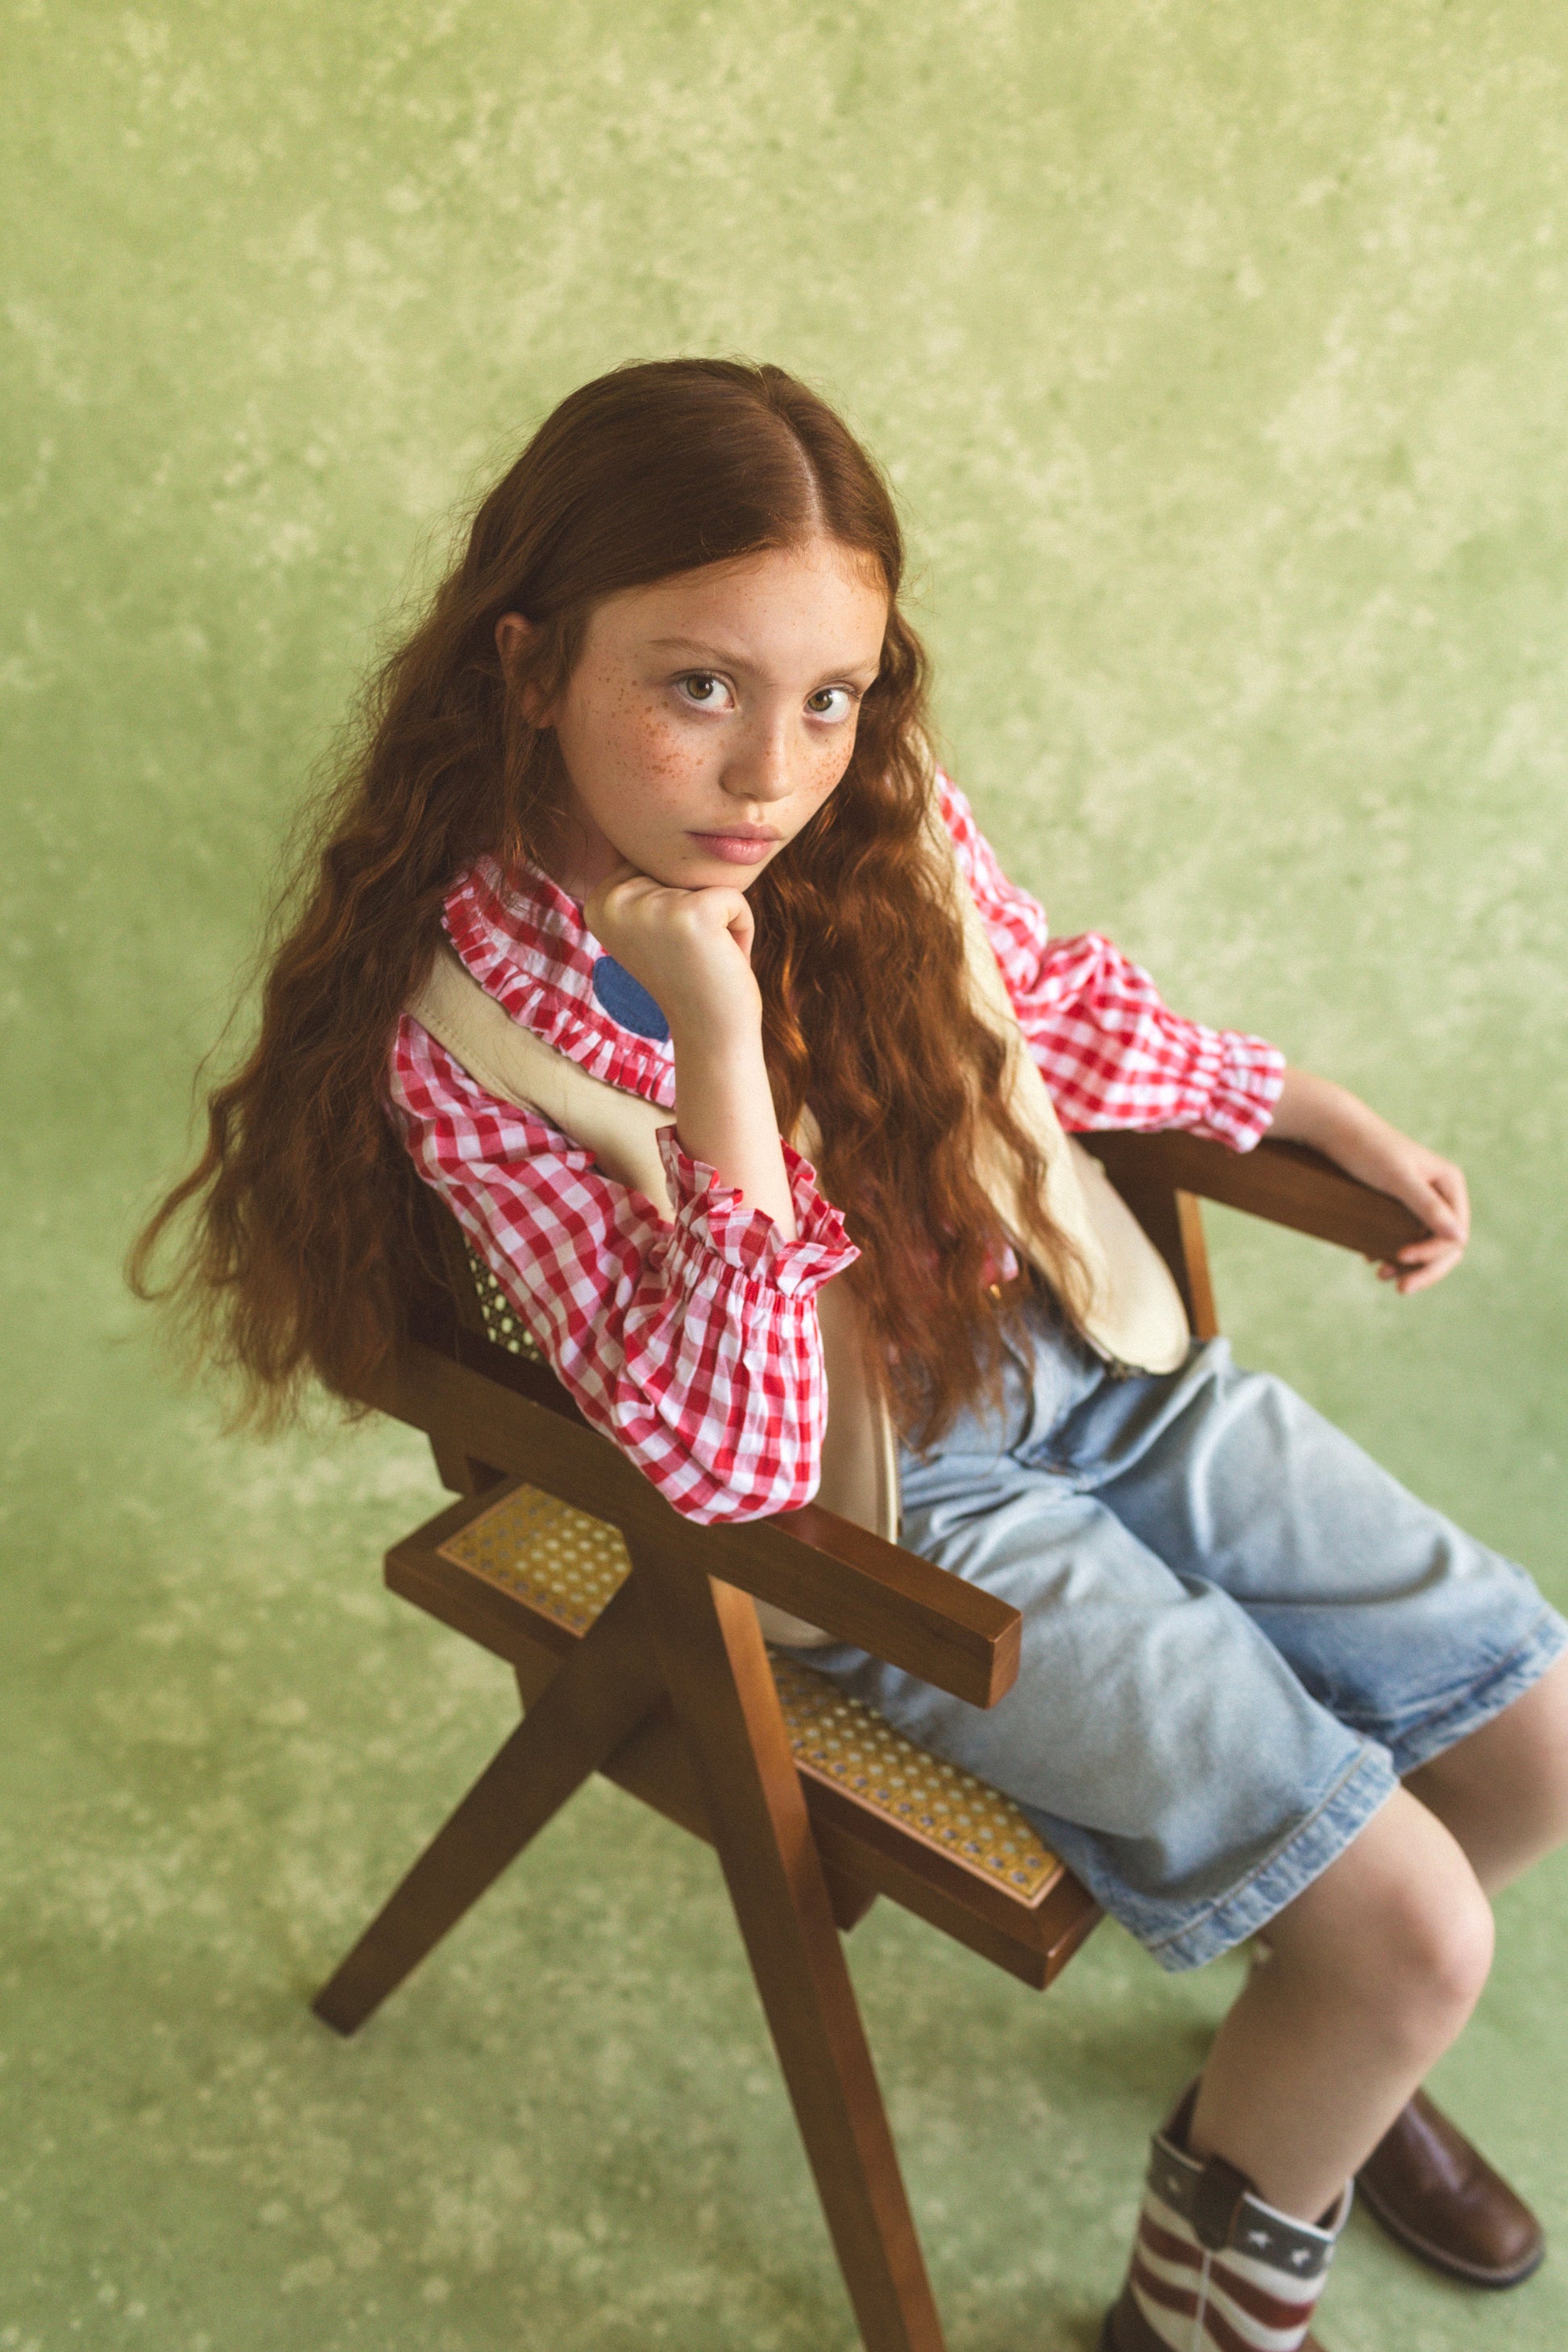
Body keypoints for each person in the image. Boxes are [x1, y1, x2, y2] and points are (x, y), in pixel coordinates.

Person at [135, 359, 1568, 2352]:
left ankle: (1315, 2059)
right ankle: (1213, 2280)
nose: (768, 772)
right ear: (528, 662)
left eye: (829, 695)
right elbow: (725, 1469)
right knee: (1415, 1923)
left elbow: (1038, 1000)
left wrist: (1301, 1103)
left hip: (1097, 1364)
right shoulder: (467, 1034)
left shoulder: (866, 811)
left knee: (1533, 1740)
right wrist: (716, 1043)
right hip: (889, 1511)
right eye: (697, 685)